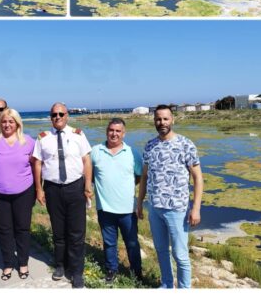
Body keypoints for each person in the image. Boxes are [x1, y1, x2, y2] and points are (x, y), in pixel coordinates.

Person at [137, 105, 203, 289]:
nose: (162, 122)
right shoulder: (150, 146)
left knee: (181, 255)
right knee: (161, 250)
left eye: (165, 119)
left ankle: (184, 289)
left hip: (177, 210)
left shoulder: (186, 144)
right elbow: (144, 176)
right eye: (158, 119)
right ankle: (166, 284)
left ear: (172, 120)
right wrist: (139, 202)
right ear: (154, 121)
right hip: (155, 208)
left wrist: (196, 208)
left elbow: (198, 178)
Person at [31, 102, 92, 287]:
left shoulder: (78, 135)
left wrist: (88, 186)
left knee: (76, 232)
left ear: (67, 116)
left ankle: (76, 271)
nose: (57, 117)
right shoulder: (43, 138)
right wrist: (39, 189)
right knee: (58, 231)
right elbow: (37, 164)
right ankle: (60, 265)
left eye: (61, 114)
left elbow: (86, 161)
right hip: (53, 189)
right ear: (51, 117)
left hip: (75, 187)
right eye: (54, 115)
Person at [0, 108, 37, 280]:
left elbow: (36, 166)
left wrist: (37, 189)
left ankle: (23, 263)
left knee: (22, 229)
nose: (7, 124)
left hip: (24, 192)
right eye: (4, 121)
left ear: (18, 123)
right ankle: (8, 264)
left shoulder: (28, 142)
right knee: (4, 230)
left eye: (11, 121)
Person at [90, 118, 143, 283]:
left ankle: (137, 274)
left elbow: (139, 176)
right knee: (109, 243)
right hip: (105, 209)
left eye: (118, 131)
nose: (114, 134)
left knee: (132, 243)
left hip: (127, 210)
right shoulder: (95, 151)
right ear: (107, 131)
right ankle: (111, 270)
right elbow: (90, 175)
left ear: (124, 133)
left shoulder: (132, 152)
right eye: (111, 130)